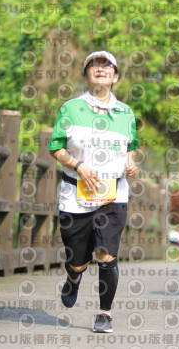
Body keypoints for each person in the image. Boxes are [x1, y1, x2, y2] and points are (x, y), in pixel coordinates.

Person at [48, 50, 139, 333]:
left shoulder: (126, 112)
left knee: (105, 253)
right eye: (94, 65)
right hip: (75, 194)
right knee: (78, 260)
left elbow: (131, 145)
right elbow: (55, 147)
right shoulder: (71, 108)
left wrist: (131, 163)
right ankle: (74, 277)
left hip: (113, 195)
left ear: (116, 77)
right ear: (87, 74)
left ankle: (104, 314)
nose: (100, 69)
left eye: (106, 65)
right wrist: (78, 165)